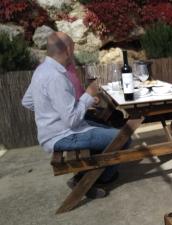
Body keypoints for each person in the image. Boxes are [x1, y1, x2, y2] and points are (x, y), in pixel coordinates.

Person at [21, 32, 129, 198]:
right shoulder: (55, 77)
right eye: (73, 48)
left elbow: (27, 101)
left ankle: (87, 175)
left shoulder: (42, 70)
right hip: (63, 135)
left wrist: (50, 112)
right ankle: (93, 180)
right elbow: (71, 120)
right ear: (68, 50)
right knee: (124, 136)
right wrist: (88, 94)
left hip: (55, 132)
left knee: (108, 129)